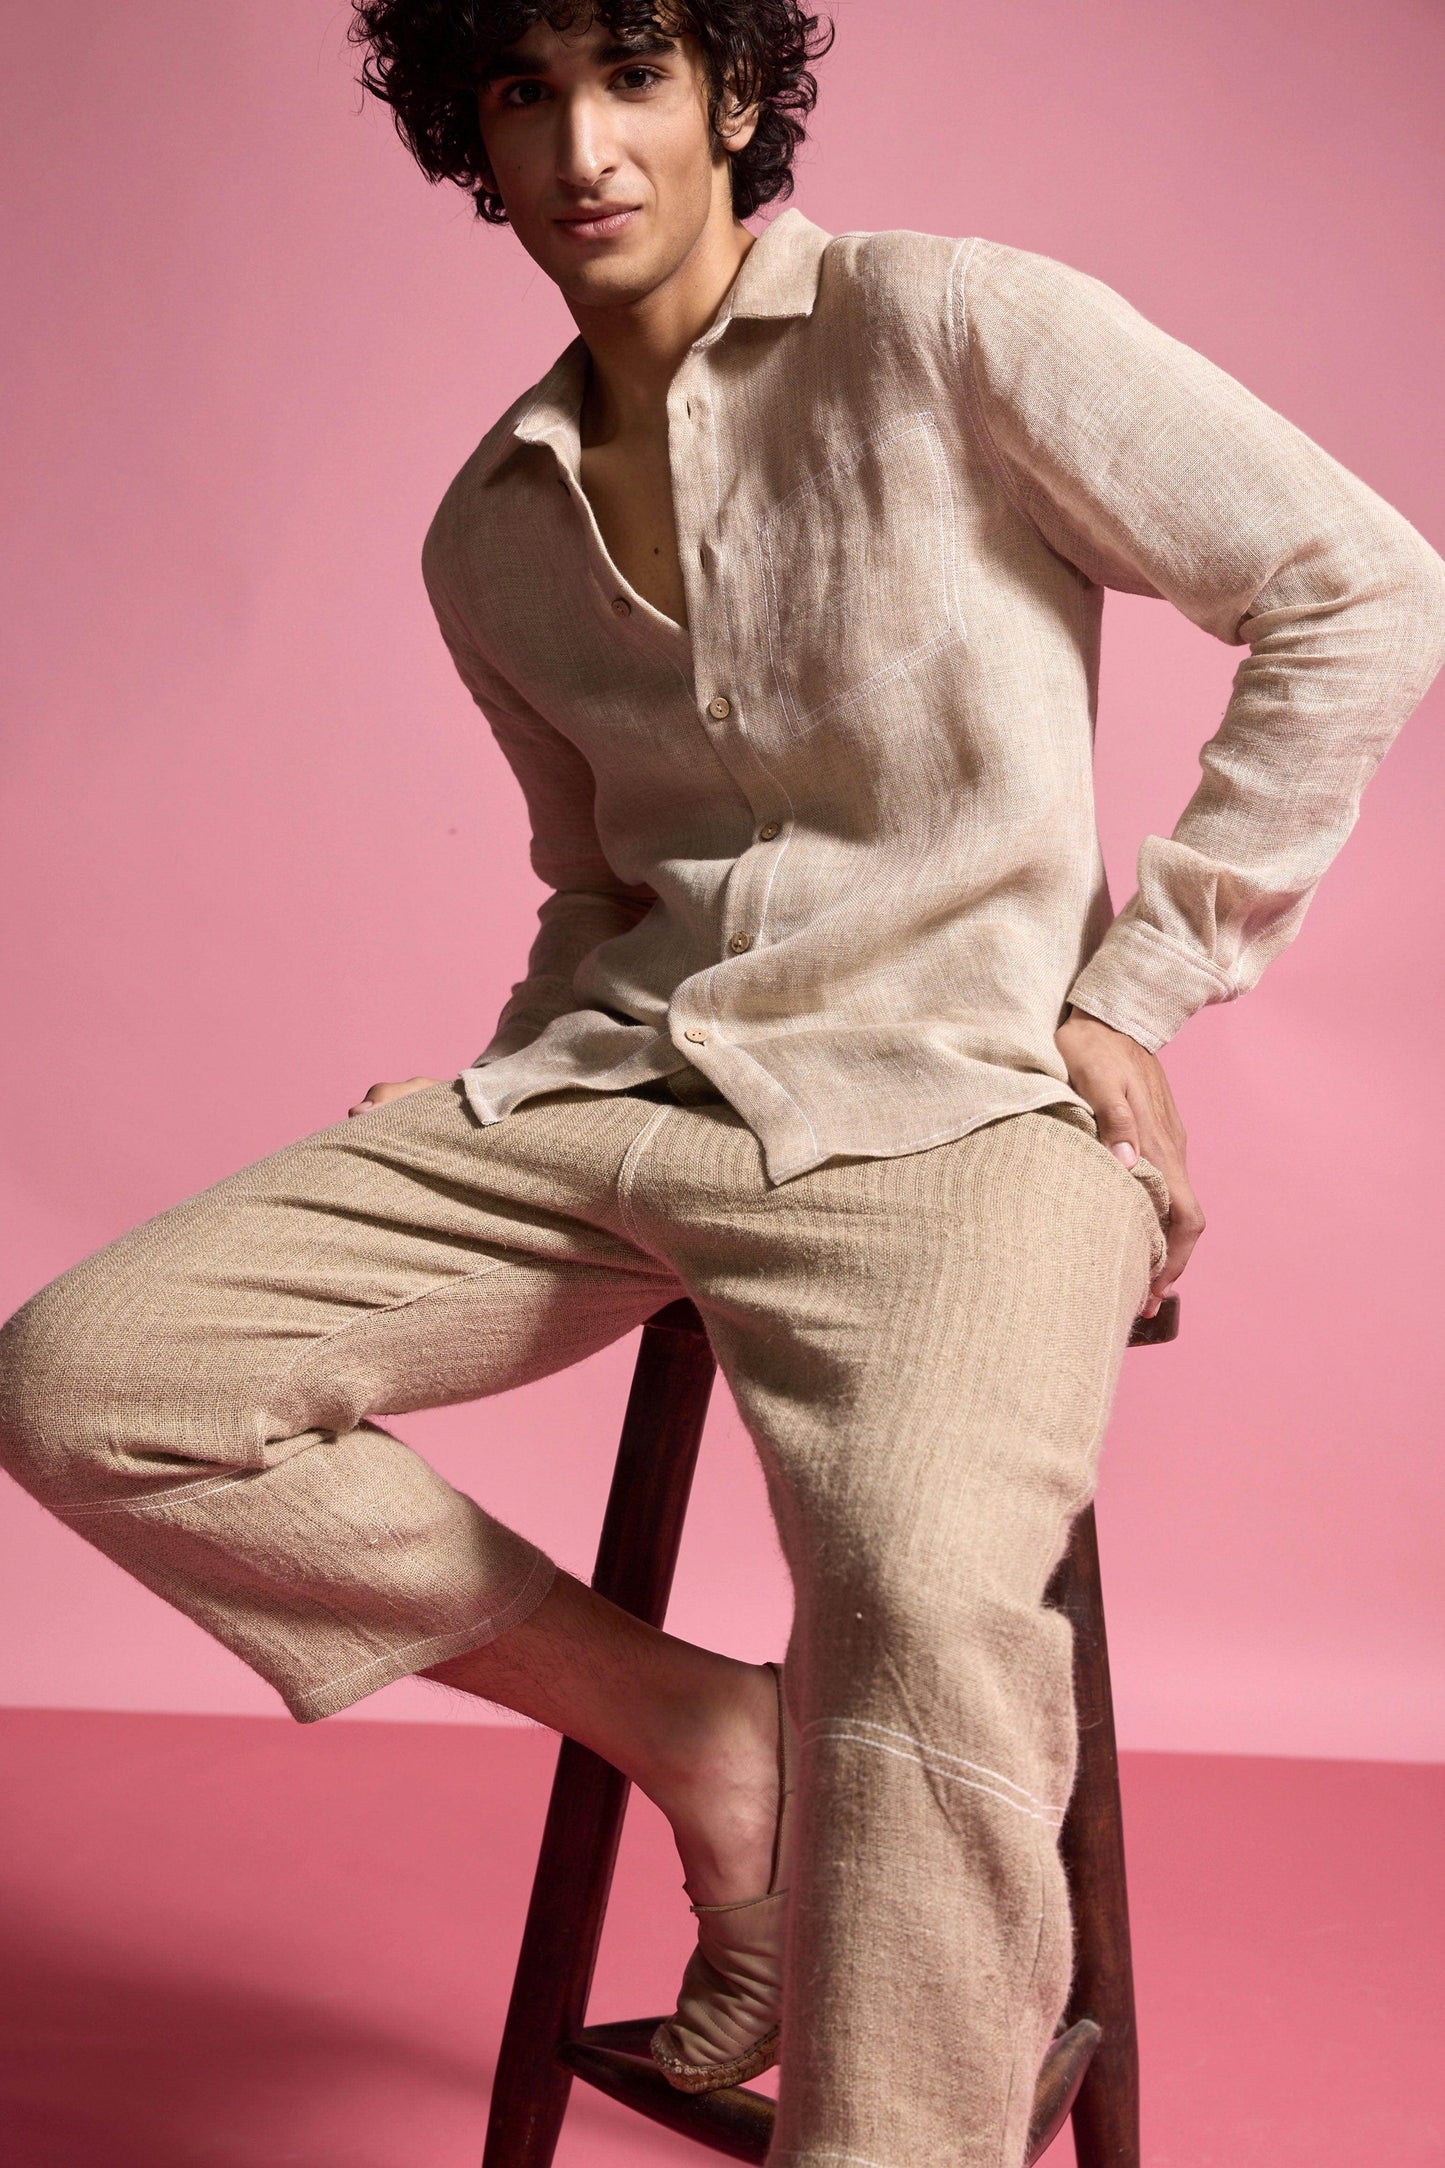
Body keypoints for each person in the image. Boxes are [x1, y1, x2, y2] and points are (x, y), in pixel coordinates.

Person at [2, 3, 1443, 2162]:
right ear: (470, 137)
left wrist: (1139, 992)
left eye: (634, 75)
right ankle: (697, 1731)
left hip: (963, 1100)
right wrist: (503, 1082)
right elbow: (598, 887)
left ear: (735, 97)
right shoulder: (486, 529)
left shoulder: (943, 326)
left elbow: (1359, 587)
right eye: (522, 93)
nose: (582, 146)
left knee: (919, 1595)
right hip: (624, 1084)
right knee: (96, 1377)